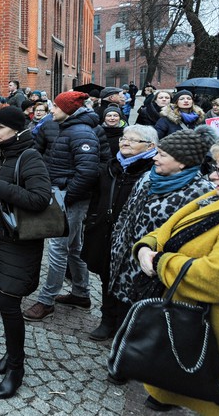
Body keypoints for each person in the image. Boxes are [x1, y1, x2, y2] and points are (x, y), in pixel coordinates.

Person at [131, 137, 219, 414]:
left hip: (209, 333)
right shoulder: (211, 198)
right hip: (182, 317)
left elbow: (214, 277)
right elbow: (166, 229)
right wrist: (146, 246)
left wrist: (159, 262)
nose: (213, 176)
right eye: (216, 168)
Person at [108, 126, 216, 340]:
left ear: (183, 162)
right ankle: (120, 357)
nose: (155, 158)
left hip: (156, 273)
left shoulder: (200, 192)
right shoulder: (148, 178)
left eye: (163, 155)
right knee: (124, 318)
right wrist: (117, 241)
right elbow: (127, 213)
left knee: (149, 327)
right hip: (126, 264)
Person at [0, 107, 52, 398]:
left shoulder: (29, 156)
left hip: (20, 244)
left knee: (10, 307)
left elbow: (39, 199)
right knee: (3, 304)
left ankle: (16, 368)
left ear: (16, 129)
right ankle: (11, 356)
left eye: (0, 127)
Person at [23, 91, 99, 321]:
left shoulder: (81, 132)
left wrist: (66, 198)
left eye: (55, 107)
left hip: (70, 198)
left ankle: (46, 300)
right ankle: (81, 293)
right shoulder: (70, 128)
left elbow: (87, 173)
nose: (51, 111)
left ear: (68, 110)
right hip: (65, 193)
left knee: (57, 248)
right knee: (74, 247)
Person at [81, 125, 157, 342]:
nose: (125, 142)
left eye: (133, 140)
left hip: (133, 238)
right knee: (106, 275)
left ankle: (125, 326)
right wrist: (92, 219)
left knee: (128, 281)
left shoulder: (151, 170)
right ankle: (107, 320)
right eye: (124, 138)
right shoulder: (112, 166)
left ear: (150, 146)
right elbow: (97, 196)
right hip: (104, 232)